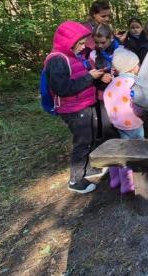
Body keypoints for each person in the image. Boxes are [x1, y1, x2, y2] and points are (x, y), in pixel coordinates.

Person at [44, 21, 107, 194]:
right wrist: (89, 77)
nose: (83, 46)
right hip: (73, 109)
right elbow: (62, 88)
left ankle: (88, 168)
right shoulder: (57, 60)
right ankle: (76, 180)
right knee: (82, 142)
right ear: (68, 42)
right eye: (80, 43)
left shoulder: (74, 56)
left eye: (84, 43)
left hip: (84, 105)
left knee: (90, 138)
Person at [103, 48, 144, 194]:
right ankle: (129, 183)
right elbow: (140, 103)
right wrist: (142, 115)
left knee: (123, 149)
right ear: (133, 67)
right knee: (137, 152)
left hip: (119, 124)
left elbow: (107, 99)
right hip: (134, 123)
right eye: (138, 64)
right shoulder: (134, 83)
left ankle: (115, 178)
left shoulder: (113, 83)